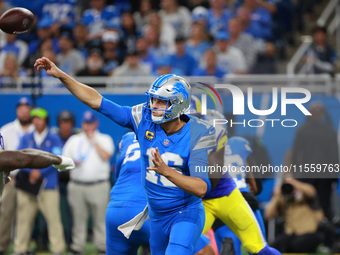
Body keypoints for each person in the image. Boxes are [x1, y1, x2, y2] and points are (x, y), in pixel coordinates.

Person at [34, 56, 216, 255]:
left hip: (184, 213)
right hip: (156, 216)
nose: (153, 105)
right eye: (153, 99)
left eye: (161, 101)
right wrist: (61, 76)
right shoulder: (144, 117)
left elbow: (201, 188)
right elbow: (97, 101)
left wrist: (167, 172)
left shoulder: (198, 132)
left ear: (178, 104)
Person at [189, 96, 281, 255]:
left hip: (226, 196)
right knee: (183, 243)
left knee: (257, 247)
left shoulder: (208, 136)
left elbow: (210, 176)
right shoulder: (173, 139)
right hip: (205, 201)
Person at [107, 132, 214, 255]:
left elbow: (118, 173)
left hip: (116, 210)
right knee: (204, 250)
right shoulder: (175, 138)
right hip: (150, 211)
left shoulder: (129, 137)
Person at [14, 107, 66, 255]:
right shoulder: (26, 138)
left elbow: (57, 159)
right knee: (23, 220)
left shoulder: (54, 138)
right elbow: (19, 158)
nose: (37, 122)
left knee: (54, 220)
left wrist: (39, 172)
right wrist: (32, 172)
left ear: (46, 120)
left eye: (40, 118)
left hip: (48, 185)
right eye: (34, 119)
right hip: (27, 186)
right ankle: (20, 249)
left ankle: (58, 249)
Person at [62, 111, 114, 255]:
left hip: (99, 185)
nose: (88, 126)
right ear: (82, 124)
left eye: (91, 123)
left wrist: (93, 141)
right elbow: (64, 161)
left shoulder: (104, 138)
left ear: (96, 123)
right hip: (77, 185)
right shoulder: (74, 140)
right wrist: (73, 162)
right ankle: (77, 247)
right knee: (78, 220)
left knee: (101, 220)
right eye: (86, 123)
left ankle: (102, 247)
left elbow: (106, 156)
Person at [213, 136, 266, 255]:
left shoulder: (205, 147)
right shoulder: (240, 144)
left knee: (227, 244)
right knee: (259, 248)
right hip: (244, 198)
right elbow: (257, 186)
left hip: (219, 201)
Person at [0, 97, 34, 255]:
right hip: (11, 180)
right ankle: (2, 246)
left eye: (27, 109)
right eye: (21, 109)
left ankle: (23, 248)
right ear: (17, 111)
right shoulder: (6, 130)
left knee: (26, 216)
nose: (24, 111)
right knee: (5, 215)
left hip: (31, 179)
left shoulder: (36, 128)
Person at [265, 177, 325, 253]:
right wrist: (276, 196)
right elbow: (268, 214)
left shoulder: (304, 194)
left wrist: (294, 183)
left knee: (297, 245)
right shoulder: (283, 198)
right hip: (290, 234)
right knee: (275, 247)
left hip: (309, 232)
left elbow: (312, 191)